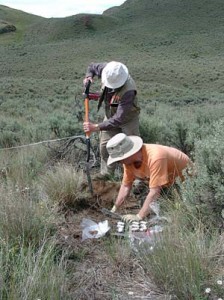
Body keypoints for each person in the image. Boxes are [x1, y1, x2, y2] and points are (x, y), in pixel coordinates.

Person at [106, 133, 194, 222]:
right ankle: (154, 209)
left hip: (185, 183)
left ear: (128, 154)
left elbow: (155, 191)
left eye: (119, 159)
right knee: (138, 187)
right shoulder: (128, 162)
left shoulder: (156, 157)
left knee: (172, 211)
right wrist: (115, 207)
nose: (119, 162)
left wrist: (139, 216)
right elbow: (126, 186)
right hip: (165, 181)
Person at [83, 61, 140, 177]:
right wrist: (88, 77)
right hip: (110, 115)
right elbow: (91, 67)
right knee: (104, 148)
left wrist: (96, 127)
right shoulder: (107, 69)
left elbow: (119, 118)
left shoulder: (128, 91)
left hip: (128, 120)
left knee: (133, 149)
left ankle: (136, 179)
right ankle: (106, 176)